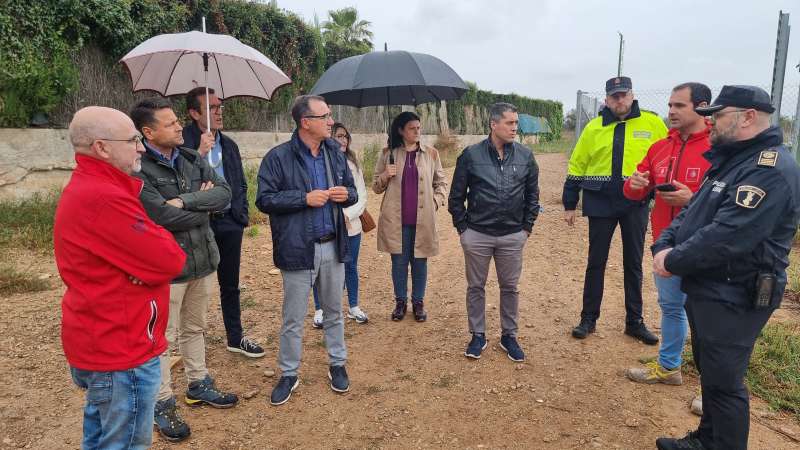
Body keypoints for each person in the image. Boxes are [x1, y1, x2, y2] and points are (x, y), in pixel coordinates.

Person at [652, 85, 800, 450]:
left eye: (717, 116)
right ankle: (706, 439)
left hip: (737, 291)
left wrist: (673, 259)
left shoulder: (769, 168)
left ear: (748, 117)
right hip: (711, 288)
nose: (710, 122)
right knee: (711, 371)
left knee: (725, 382)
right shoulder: (734, 159)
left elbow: (729, 235)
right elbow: (693, 211)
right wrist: (664, 243)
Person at [54, 106, 186, 449]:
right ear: (102, 147)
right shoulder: (105, 197)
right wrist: (145, 269)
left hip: (102, 339)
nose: (141, 147)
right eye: (133, 140)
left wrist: (142, 270)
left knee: (100, 438)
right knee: (125, 443)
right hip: (120, 349)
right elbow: (170, 259)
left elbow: (151, 258)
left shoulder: (97, 187)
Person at [130, 98, 237, 442]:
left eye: (178, 121)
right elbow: (159, 216)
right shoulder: (139, 170)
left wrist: (187, 200)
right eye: (170, 123)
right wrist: (204, 208)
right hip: (167, 270)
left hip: (203, 261)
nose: (179, 127)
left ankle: (198, 382)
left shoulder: (191, 157)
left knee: (196, 327)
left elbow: (225, 194)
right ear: (148, 132)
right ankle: (161, 402)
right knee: (161, 339)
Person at [256, 95, 358, 406]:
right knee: (293, 317)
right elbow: (264, 200)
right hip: (298, 249)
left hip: (331, 244)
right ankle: (289, 373)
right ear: (306, 123)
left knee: (334, 312)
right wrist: (303, 198)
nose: (331, 121)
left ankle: (337, 364)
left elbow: (353, 192)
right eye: (325, 116)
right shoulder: (278, 157)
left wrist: (346, 195)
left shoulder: (335, 154)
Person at [562, 76, 668, 344]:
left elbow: (666, 158)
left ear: (632, 95)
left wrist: (660, 190)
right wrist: (570, 202)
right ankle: (588, 319)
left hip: (636, 203)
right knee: (595, 262)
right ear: (607, 99)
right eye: (614, 96)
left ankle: (635, 322)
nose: (619, 100)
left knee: (633, 263)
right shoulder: (594, 128)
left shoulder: (652, 123)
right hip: (600, 202)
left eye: (623, 95)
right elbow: (578, 164)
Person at [623, 83, 712, 392]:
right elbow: (634, 191)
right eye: (670, 105)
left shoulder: (721, 148)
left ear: (701, 107)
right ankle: (669, 366)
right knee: (672, 307)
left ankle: (714, 391)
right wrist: (635, 184)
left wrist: (693, 200)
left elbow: (732, 202)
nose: (671, 111)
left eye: (679, 106)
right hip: (667, 247)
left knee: (708, 318)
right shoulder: (660, 147)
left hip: (707, 248)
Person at [448, 102, 540, 361]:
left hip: (512, 235)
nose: (514, 128)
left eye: (516, 123)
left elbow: (533, 196)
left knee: (510, 287)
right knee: (476, 286)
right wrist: (463, 229)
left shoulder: (525, 156)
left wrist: (526, 229)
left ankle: (509, 335)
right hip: (477, 233)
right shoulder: (471, 155)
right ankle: (477, 335)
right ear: (493, 124)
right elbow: (456, 197)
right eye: (509, 123)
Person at [181, 87, 265, 358]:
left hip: (229, 222)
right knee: (194, 287)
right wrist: (198, 153)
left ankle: (235, 337)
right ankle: (192, 345)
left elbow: (238, 181)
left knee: (230, 284)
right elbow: (179, 183)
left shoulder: (229, 144)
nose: (219, 112)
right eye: (212, 107)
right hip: (196, 224)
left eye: (220, 107)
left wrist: (240, 215)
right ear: (194, 113)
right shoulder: (181, 142)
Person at [373, 111, 448, 322]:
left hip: (422, 220)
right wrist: (386, 175)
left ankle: (418, 302)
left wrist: (435, 202)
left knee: (420, 262)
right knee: (398, 262)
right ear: (401, 131)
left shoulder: (431, 153)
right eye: (412, 128)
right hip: (396, 220)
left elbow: (441, 183)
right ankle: (400, 302)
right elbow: (376, 187)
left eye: (419, 128)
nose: (417, 132)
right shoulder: (388, 153)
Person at [311, 122, 369, 327]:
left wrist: (347, 214)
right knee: (320, 269)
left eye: (345, 136)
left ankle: (353, 306)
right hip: (328, 227)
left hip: (351, 226)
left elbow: (361, 196)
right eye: (338, 136)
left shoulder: (354, 163)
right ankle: (320, 310)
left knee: (351, 266)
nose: (343, 140)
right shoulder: (320, 161)